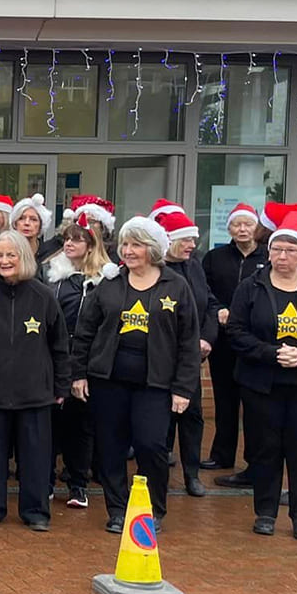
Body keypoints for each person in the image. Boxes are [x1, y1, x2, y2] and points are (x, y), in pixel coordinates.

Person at [70, 216, 201, 533]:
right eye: (125, 244)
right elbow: (85, 332)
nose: (128, 251)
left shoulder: (176, 286)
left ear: (152, 249)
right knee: (110, 448)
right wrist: (79, 375)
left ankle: (153, 510)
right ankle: (117, 509)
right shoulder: (110, 284)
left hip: (154, 384)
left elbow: (187, 341)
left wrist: (184, 389)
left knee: (151, 446)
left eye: (136, 245)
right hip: (108, 381)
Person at [227, 207, 297, 541]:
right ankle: (265, 512)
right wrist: (270, 353)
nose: (282, 256)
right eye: (277, 249)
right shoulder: (252, 287)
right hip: (262, 383)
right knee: (265, 449)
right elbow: (236, 330)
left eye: (291, 250)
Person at [0, 230, 69, 529]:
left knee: (35, 457)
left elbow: (60, 346)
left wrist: (61, 385)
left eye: (11, 255)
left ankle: (35, 511)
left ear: (24, 257)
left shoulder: (43, 296)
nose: (4, 260)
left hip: (35, 392)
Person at [41, 217, 112, 507]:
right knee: (48, 424)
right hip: (51, 358)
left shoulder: (104, 280)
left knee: (81, 427)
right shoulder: (50, 274)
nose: (68, 243)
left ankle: (77, 483)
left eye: (77, 239)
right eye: (66, 238)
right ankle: (44, 480)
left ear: (91, 245)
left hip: (85, 359)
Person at [201, 202, 269, 482]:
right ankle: (221, 453)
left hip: (254, 341)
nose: (242, 229)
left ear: (256, 228)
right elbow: (204, 290)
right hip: (224, 339)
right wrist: (219, 309)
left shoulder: (267, 257)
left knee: (253, 403)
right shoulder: (215, 257)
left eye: (247, 224)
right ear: (228, 228)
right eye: (236, 224)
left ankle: (254, 460)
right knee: (224, 398)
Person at [155, 208, 220, 498]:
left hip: (191, 357)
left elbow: (209, 304)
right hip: (160, 355)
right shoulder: (157, 272)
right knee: (160, 416)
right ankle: (158, 472)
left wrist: (207, 338)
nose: (192, 245)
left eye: (193, 240)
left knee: (192, 416)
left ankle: (192, 474)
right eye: (185, 240)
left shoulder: (194, 267)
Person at [9, 193, 57, 264]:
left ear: (41, 225)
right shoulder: (6, 250)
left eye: (33, 219)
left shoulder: (48, 253)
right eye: (21, 218)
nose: (27, 223)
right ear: (15, 223)